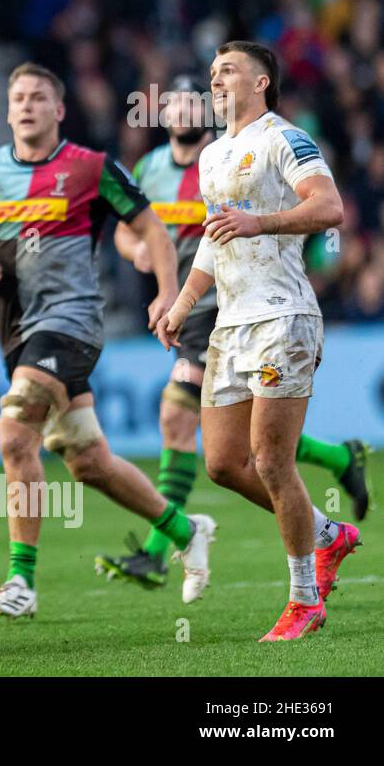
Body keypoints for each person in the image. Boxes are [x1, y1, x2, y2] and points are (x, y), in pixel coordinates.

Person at [0, 62, 216, 617]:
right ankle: (186, 530)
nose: (26, 105)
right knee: (88, 462)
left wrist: (167, 294)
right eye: (18, 96)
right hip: (16, 330)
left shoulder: (90, 167)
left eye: (39, 97)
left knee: (15, 433)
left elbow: (150, 229)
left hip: (71, 323)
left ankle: (21, 581)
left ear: (59, 110)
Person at [97, 76, 371, 589]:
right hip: (204, 311)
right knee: (234, 452)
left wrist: (256, 228)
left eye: (190, 103)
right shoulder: (153, 167)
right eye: (172, 105)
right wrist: (146, 260)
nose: (181, 113)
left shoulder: (237, 154)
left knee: (187, 422)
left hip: (238, 307)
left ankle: (165, 545)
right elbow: (127, 229)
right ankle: (337, 466)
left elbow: (315, 209)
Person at [155, 41, 362, 641]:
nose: (216, 80)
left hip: (283, 318)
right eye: (213, 72)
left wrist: (261, 221)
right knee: (222, 465)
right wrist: (182, 302)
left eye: (229, 71)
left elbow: (330, 207)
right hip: (229, 324)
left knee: (272, 461)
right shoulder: (213, 156)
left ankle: (304, 600)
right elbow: (214, 241)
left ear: (262, 82)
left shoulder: (285, 139)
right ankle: (329, 533)